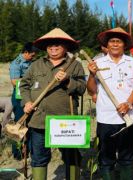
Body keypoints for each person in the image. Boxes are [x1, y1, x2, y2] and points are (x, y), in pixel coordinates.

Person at [20, 28, 86, 180]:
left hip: (65, 122)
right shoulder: (36, 65)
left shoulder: (74, 65)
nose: (53, 48)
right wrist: (27, 101)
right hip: (38, 121)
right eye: (50, 45)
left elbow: (82, 88)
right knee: (38, 159)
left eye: (57, 45)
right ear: (45, 47)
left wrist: (68, 80)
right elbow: (23, 85)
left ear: (66, 47)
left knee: (71, 158)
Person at [87, 27, 133, 180]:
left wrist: (128, 104)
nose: (115, 44)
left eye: (119, 41)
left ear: (124, 45)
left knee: (127, 156)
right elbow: (91, 90)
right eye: (112, 41)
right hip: (106, 118)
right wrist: (92, 75)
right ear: (107, 45)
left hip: (129, 118)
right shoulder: (97, 63)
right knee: (106, 157)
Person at [9, 42, 37, 160]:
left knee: (30, 123)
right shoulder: (16, 64)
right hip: (19, 97)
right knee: (19, 123)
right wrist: (30, 80)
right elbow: (14, 82)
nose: (33, 57)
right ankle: (18, 152)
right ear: (25, 52)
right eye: (31, 55)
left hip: (30, 96)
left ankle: (28, 149)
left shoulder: (31, 62)